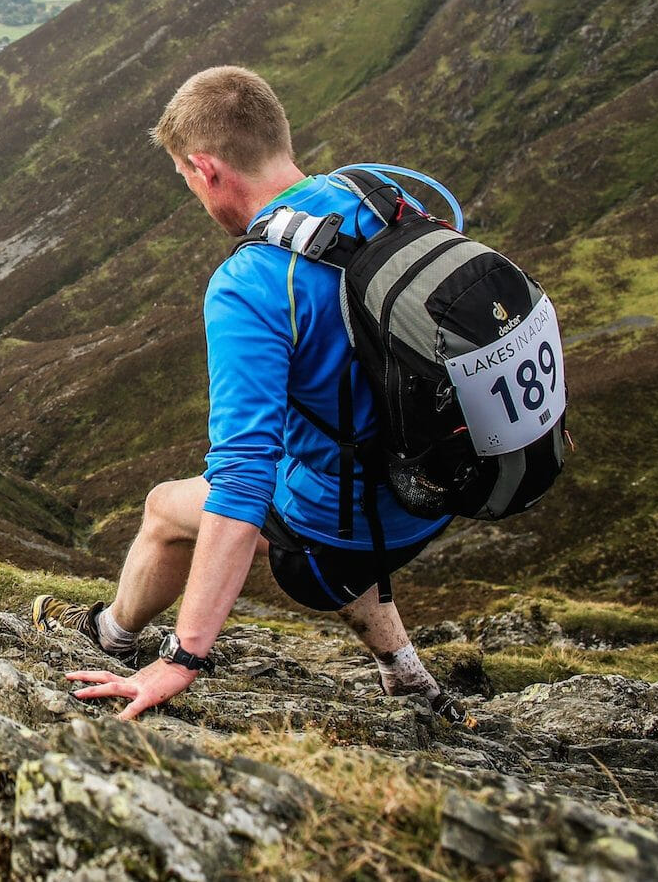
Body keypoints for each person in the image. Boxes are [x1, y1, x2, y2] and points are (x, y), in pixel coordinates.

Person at [32, 66, 459, 721]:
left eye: (185, 179)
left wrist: (184, 657)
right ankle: (403, 669)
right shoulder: (377, 196)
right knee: (321, 471)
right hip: (443, 483)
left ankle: (108, 632)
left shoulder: (250, 283)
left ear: (206, 170)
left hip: (344, 534)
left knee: (165, 507)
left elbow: (241, 483)